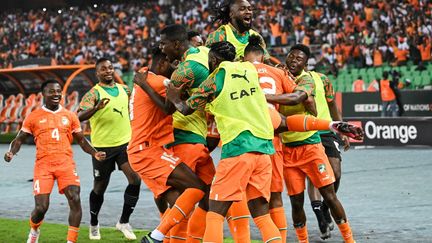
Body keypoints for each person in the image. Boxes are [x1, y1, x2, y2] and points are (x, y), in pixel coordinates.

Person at [166, 41, 363, 243]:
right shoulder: (252, 76)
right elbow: (283, 122)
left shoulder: (215, 78)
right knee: (261, 214)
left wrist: (173, 95)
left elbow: (185, 108)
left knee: (215, 212)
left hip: (237, 150)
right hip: (264, 153)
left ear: (214, 60)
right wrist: (330, 124)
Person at [268, 44, 357, 243]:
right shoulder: (279, 79)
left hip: (313, 142)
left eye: (299, 59)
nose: (293, 60)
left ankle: (349, 239)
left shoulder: (310, 79)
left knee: (332, 186)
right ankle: (306, 236)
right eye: (291, 56)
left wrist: (340, 128)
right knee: (296, 203)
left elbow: (312, 103)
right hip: (289, 151)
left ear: (306, 64)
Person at [4, 80, 106, 243]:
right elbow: (19, 139)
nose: (56, 94)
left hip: (66, 163)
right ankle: (34, 230)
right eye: (52, 91)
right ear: (43, 94)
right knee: (41, 208)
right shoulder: (34, 116)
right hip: (43, 166)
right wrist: (11, 152)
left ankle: (71, 241)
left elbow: (81, 140)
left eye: (58, 91)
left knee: (75, 198)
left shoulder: (70, 115)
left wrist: (94, 153)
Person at [77, 58, 141, 240]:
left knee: (135, 179)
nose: (108, 71)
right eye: (103, 69)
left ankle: (124, 222)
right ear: (97, 73)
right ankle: (94, 223)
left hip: (124, 145)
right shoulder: (93, 94)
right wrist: (96, 108)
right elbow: (79, 116)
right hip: (102, 148)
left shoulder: (125, 90)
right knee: (99, 188)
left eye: (110, 68)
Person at [304, 69, 351, 239]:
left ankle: (325, 207)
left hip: (325, 129)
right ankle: (320, 218)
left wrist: (343, 130)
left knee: (336, 173)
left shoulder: (322, 79)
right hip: (306, 130)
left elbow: (332, 104)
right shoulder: (289, 79)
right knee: (314, 177)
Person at [206, 0, 273, 62]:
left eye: (250, 9)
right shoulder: (219, 35)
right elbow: (210, 64)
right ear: (231, 14)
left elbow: (267, 63)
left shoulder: (256, 36)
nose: (248, 11)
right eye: (242, 9)